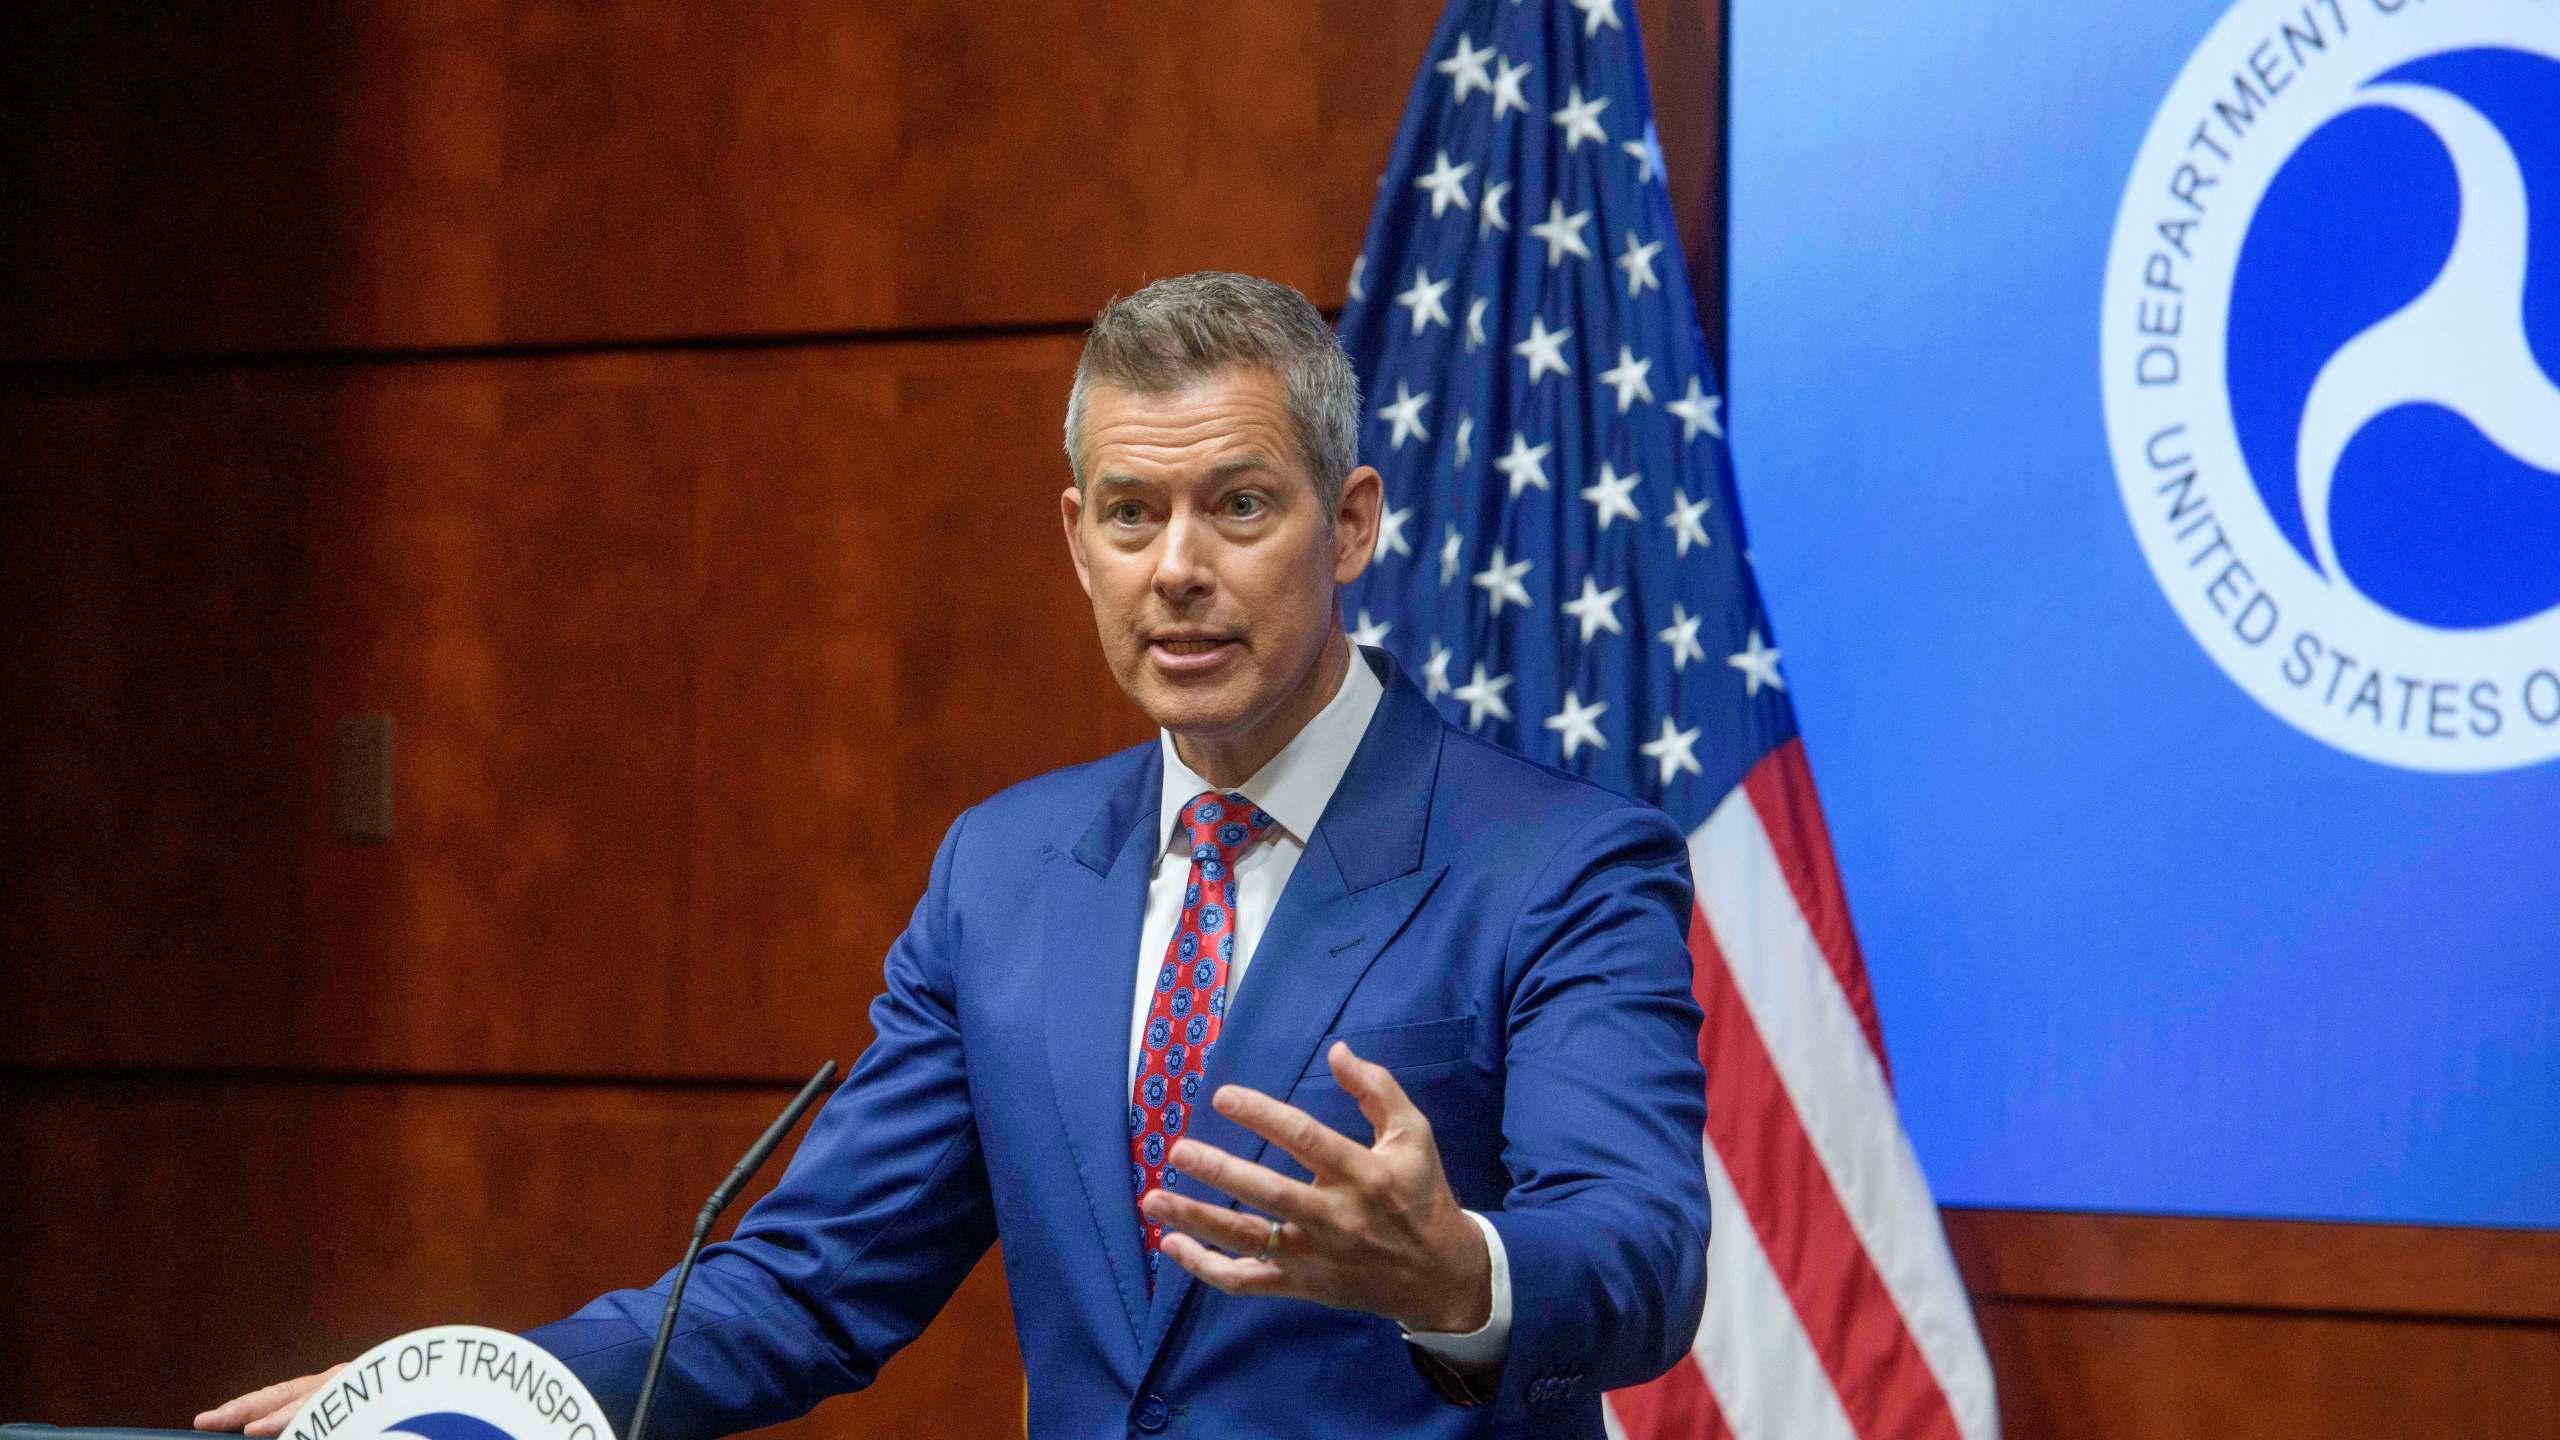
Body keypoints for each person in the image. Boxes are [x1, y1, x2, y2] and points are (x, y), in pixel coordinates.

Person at [198, 272, 1710, 1439]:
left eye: (1238, 504)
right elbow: (807, 1278)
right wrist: (476, 1392)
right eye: (1131, 513)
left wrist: (1459, 1274)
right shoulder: (1004, 874)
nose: (1177, 566)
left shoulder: (1560, 865)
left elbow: (1641, 1253)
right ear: (1076, 542)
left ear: (1354, 522)